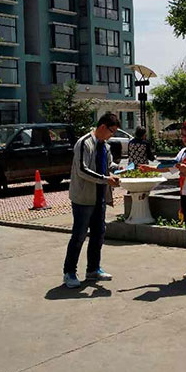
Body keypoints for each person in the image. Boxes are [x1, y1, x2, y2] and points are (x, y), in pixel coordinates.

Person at [140, 120, 186, 282]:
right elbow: (172, 167)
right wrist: (151, 168)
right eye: (182, 135)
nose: (184, 138)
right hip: (185, 195)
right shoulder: (183, 152)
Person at [62, 113, 121, 288]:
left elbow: (108, 165)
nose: (112, 135)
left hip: (99, 196)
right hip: (83, 198)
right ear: (102, 127)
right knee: (79, 235)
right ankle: (69, 272)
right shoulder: (84, 143)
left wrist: (119, 169)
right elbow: (82, 170)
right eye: (111, 131)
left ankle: (93, 269)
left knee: (98, 233)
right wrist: (106, 179)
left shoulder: (105, 146)